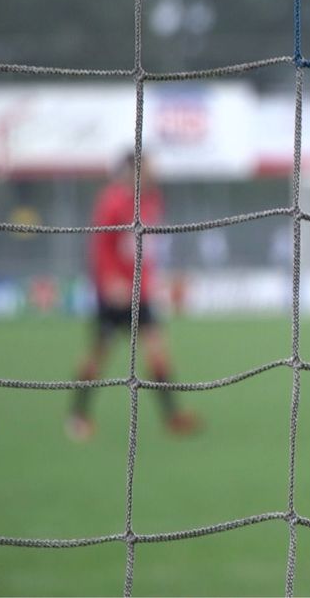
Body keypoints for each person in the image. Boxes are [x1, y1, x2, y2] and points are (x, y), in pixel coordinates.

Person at [68, 153, 200, 441]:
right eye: (149, 167)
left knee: (157, 351)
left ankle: (173, 416)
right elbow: (100, 246)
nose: (155, 172)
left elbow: (147, 249)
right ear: (132, 171)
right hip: (114, 293)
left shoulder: (153, 200)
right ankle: (77, 416)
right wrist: (107, 281)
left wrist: (154, 281)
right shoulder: (112, 201)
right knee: (97, 356)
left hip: (140, 293)